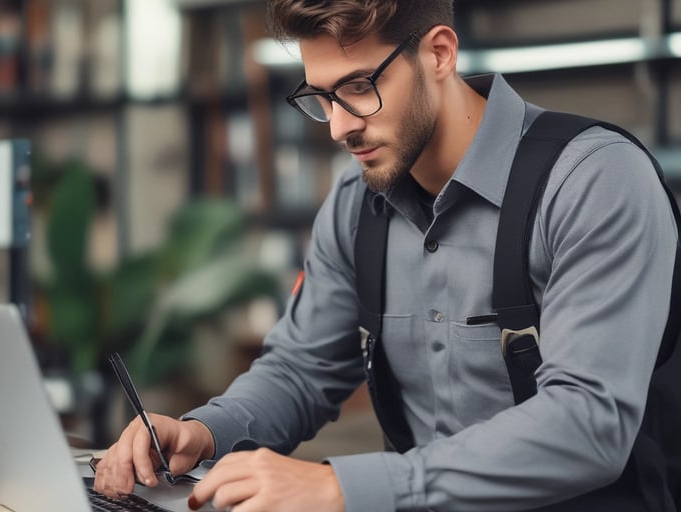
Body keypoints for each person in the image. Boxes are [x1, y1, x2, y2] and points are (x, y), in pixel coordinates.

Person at [93, 1, 678, 510]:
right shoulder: (354, 204)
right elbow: (301, 372)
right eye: (321, 96)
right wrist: (203, 431)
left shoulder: (592, 181)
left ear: (440, 53)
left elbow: (588, 426)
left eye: (357, 87)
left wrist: (344, 489)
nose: (338, 127)